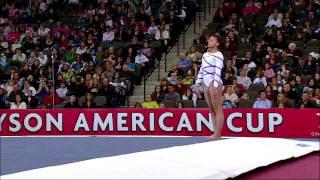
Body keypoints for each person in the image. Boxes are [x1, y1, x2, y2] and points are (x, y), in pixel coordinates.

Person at [195, 35, 224, 139]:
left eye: (211, 40)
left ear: (217, 43)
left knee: (218, 108)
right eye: (209, 39)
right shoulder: (205, 55)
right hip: (206, 82)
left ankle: (218, 133)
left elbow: (218, 70)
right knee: (211, 109)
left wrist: (215, 86)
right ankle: (215, 132)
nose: (208, 41)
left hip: (213, 81)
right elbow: (202, 70)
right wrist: (197, 84)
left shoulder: (218, 55)